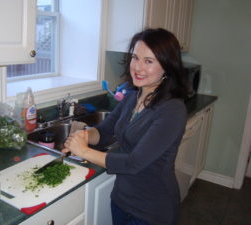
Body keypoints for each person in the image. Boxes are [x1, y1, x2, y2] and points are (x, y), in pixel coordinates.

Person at [63, 28, 189, 225]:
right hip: (121, 201)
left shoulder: (172, 110)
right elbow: (104, 132)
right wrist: (83, 136)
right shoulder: (132, 97)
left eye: (149, 61)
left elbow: (133, 163)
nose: (138, 67)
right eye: (135, 58)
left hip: (152, 211)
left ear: (167, 66)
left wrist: (84, 151)